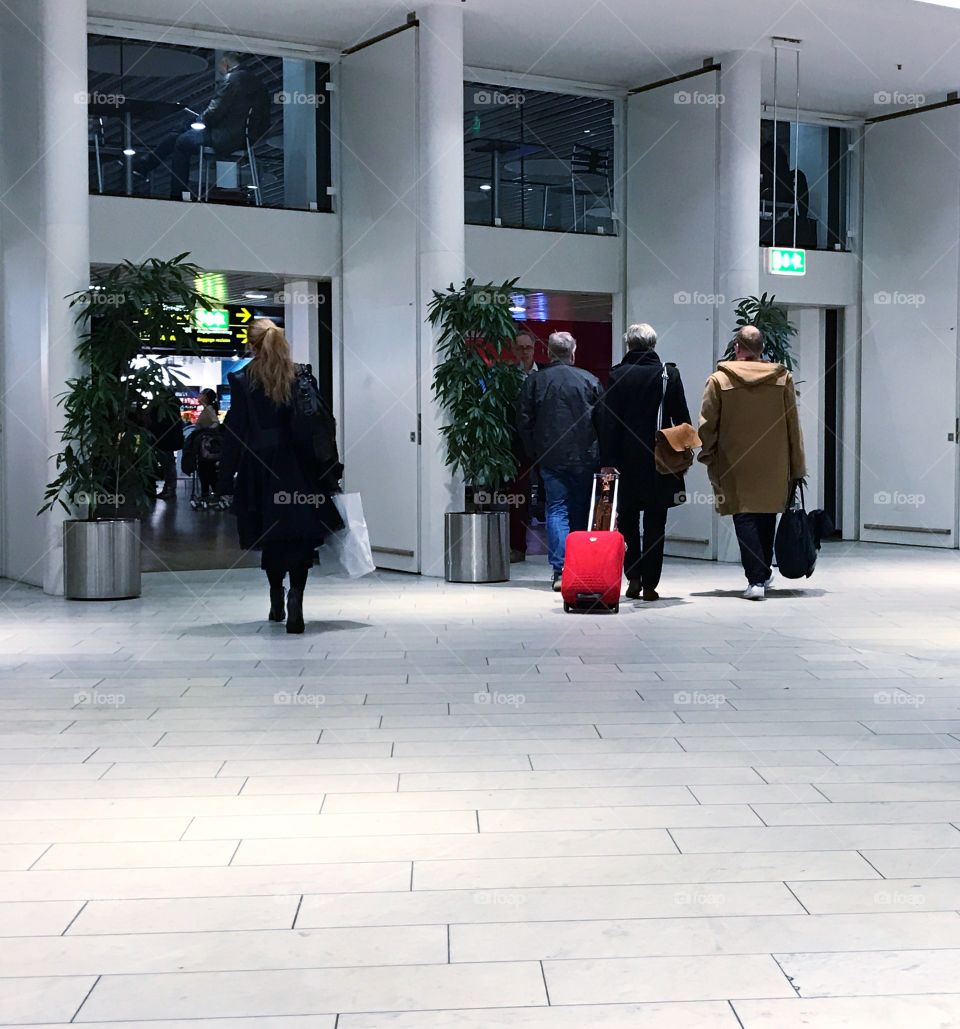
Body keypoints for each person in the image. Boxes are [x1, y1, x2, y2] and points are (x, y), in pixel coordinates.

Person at [218, 319, 343, 633]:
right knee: (300, 536)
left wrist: (224, 478)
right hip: (300, 468)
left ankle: (276, 594)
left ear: (251, 344)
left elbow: (235, 432)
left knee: (271, 535)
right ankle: (296, 597)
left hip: (259, 468)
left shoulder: (242, 379)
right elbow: (319, 423)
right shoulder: (300, 375)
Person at [698, 325, 806, 600]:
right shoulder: (782, 378)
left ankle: (756, 579)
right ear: (761, 348)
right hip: (774, 461)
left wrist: (707, 453)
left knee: (743, 515)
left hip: (733, 460)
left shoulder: (719, 381)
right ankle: (763, 573)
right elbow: (793, 424)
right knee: (767, 514)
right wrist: (797, 464)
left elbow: (708, 424)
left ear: (737, 346)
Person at [594, 323, 691, 602]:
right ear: (653, 344)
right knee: (655, 524)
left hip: (626, 461)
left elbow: (608, 422)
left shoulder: (617, 375)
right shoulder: (668, 374)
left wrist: (607, 461)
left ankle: (633, 578)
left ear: (629, 345)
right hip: (660, 460)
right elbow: (681, 417)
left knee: (627, 521)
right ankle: (651, 585)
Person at [518, 331, 601, 591]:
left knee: (556, 508)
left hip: (550, 457)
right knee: (580, 511)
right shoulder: (589, 380)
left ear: (549, 352)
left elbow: (523, 420)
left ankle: (560, 570)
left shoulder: (535, 382)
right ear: (572, 352)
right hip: (585, 457)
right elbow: (603, 422)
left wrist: (535, 452)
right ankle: (579, 566)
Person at [135, 52, 269, 199]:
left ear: (226, 63)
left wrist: (200, 120)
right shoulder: (259, 84)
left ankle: (177, 193)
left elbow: (214, 113)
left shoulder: (231, 79)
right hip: (245, 138)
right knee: (180, 131)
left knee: (181, 141)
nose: (220, 69)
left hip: (225, 137)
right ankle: (145, 165)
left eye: (220, 66)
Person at [507, 330, 540, 563]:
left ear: (534, 349)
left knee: (556, 497)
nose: (524, 352)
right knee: (519, 498)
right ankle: (517, 547)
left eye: (528, 348)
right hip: (518, 446)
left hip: (547, 443)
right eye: (519, 348)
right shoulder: (506, 378)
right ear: (513, 351)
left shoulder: (546, 374)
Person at [149, 389, 185, 501]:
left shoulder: (165, 406)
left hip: (163, 439)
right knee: (168, 464)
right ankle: (169, 489)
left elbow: (159, 421)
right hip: (169, 439)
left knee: (167, 464)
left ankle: (169, 489)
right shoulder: (174, 406)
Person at [194, 388, 221, 497]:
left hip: (206, 446)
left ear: (205, 397)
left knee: (206, 469)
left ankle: (208, 493)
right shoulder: (207, 409)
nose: (198, 396)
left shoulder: (209, 409)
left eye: (201, 394)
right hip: (205, 445)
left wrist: (207, 432)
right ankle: (210, 492)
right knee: (207, 469)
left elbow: (216, 422)